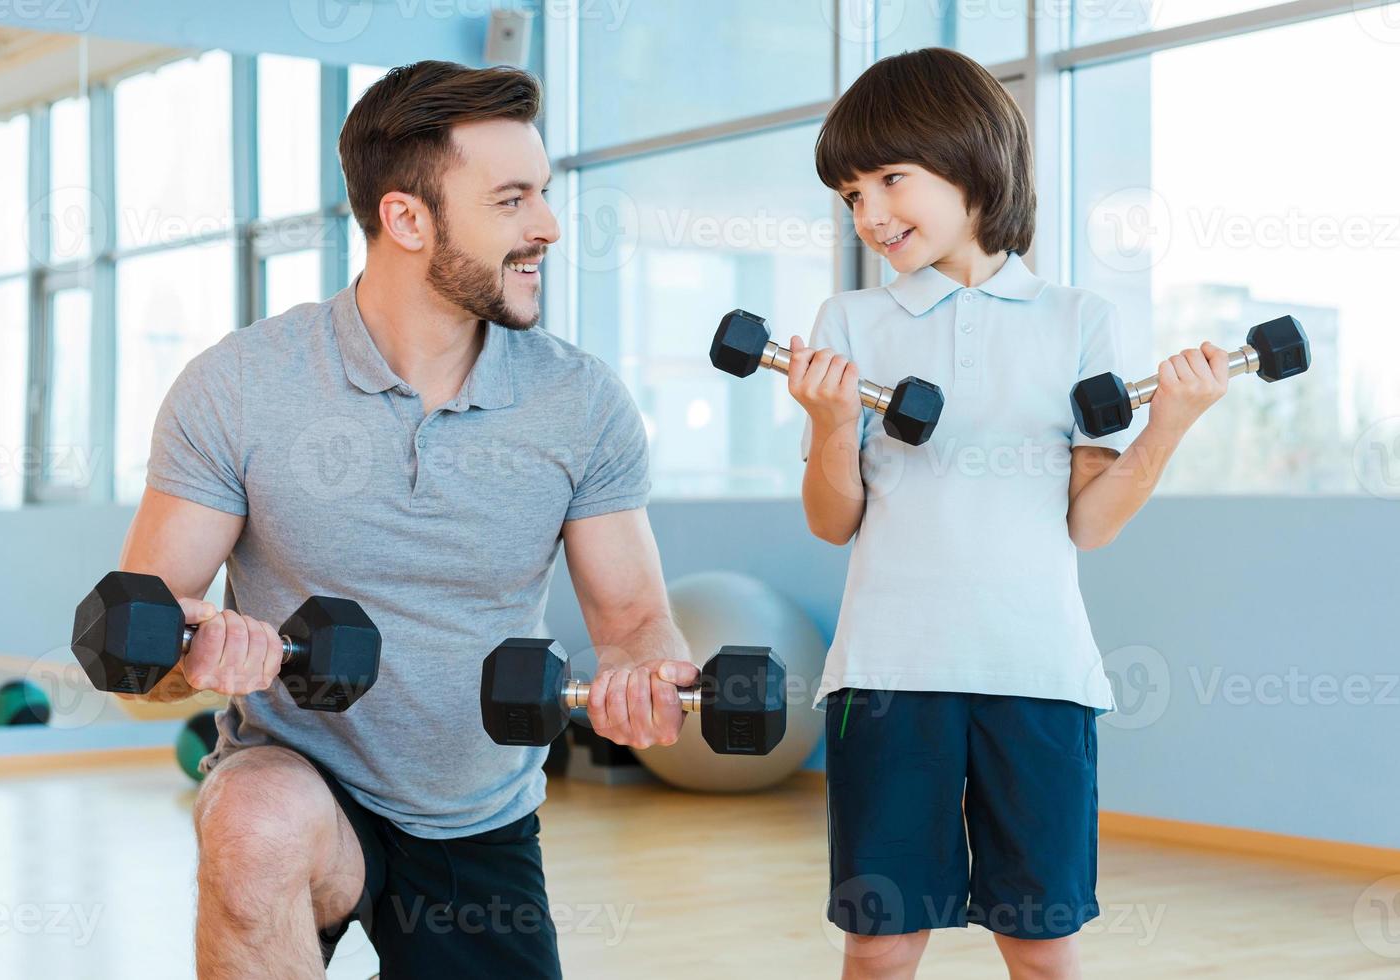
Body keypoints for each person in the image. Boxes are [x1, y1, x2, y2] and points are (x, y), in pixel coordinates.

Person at [118, 60, 695, 979]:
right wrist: (197, 654)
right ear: (406, 218)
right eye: (511, 200)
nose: (546, 225)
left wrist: (641, 678)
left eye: (543, 194)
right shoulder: (239, 386)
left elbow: (631, 623)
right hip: (301, 776)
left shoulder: (580, 402)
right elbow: (141, 648)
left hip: (478, 811)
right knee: (251, 822)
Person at [789, 48, 1232, 979]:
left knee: (1040, 946)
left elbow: (1091, 524)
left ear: (972, 160)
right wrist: (832, 424)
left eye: (888, 180)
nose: (868, 214)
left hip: (1036, 671)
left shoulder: (1075, 318)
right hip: (887, 672)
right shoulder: (848, 322)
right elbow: (833, 521)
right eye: (849, 194)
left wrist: (1171, 425)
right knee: (878, 944)